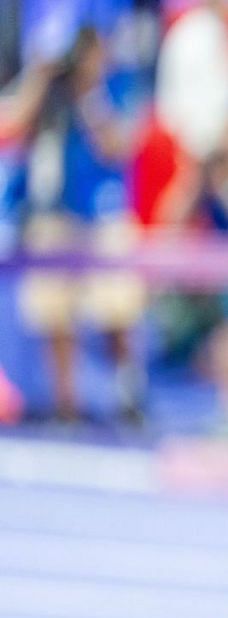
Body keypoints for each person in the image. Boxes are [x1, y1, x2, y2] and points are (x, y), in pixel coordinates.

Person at [5, 25, 145, 423]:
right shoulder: (46, 89)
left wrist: (89, 94)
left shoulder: (116, 86)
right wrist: (39, 73)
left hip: (103, 213)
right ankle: (66, 406)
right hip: (52, 213)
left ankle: (127, 396)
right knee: (55, 313)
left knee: (117, 310)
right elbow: (14, 128)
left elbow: (115, 146)